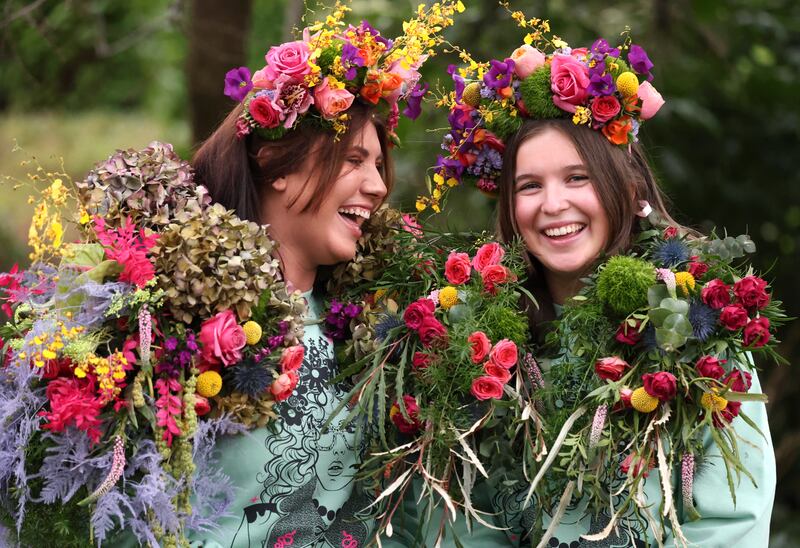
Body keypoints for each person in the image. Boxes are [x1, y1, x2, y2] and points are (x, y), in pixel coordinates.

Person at [429, 28, 776, 547]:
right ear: (508, 205)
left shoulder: (685, 316)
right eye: (529, 185)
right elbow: (462, 522)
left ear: (625, 185)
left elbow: (735, 521)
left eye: (577, 178)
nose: (552, 205)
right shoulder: (476, 337)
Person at [182, 15, 439, 547]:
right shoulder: (175, 320)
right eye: (353, 159)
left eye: (378, 164)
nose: (376, 185)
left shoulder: (381, 329)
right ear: (277, 160)